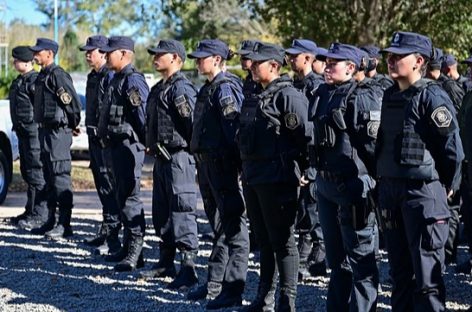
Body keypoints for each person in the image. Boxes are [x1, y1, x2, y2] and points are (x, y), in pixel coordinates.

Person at [377, 31, 463, 311]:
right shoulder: (389, 95)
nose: (390, 60)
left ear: (419, 61)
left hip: (422, 194)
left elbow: (452, 150)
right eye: (389, 56)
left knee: (427, 281)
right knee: (399, 277)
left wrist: (447, 186)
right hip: (393, 193)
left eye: (398, 56)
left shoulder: (432, 96)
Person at [238, 42, 312, 311]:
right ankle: (264, 298)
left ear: (273, 66)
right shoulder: (256, 95)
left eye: (257, 63)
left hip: (277, 179)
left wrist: (308, 172)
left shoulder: (288, 96)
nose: (252, 67)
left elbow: (306, 137)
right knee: (265, 241)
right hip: (254, 177)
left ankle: (287, 301)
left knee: (283, 242)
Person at [310, 43, 380, 311]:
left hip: (352, 188)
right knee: (337, 262)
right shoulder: (323, 93)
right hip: (327, 187)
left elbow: (373, 148)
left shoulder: (360, 97)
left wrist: (374, 186)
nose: (326, 67)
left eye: (332, 63)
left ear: (351, 68)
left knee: (361, 261)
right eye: (325, 63)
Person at [187, 39, 249, 310]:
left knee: (233, 227)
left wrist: (237, 168)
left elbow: (234, 131)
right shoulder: (208, 88)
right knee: (218, 226)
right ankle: (215, 283)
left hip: (222, 165)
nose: (198, 61)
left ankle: (233, 288)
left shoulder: (225, 88)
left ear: (218, 60)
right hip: (207, 164)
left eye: (203, 57)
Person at [139, 39, 199, 290]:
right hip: (161, 160)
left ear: (175, 58)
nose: (155, 57)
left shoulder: (181, 89)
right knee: (162, 212)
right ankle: (166, 262)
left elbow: (192, 125)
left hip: (178, 158)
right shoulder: (157, 88)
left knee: (182, 210)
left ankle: (188, 269)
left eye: (160, 54)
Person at [97, 36, 149, 272]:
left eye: (110, 52)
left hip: (129, 146)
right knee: (121, 197)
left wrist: (145, 144)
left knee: (130, 198)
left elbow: (141, 117)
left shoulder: (132, 81)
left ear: (124, 54)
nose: (106, 56)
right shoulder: (115, 79)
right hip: (115, 146)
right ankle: (128, 246)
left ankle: (136, 250)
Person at [29, 38, 81, 239]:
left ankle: (64, 224)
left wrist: (70, 126)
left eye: (38, 52)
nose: (35, 55)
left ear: (49, 53)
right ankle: (51, 219)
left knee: (60, 177)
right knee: (49, 177)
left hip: (57, 133)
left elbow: (73, 106)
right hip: (44, 132)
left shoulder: (58, 76)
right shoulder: (42, 76)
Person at [285, 38, 327, 280]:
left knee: (314, 212)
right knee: (303, 212)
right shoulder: (294, 84)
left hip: (312, 158)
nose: (291, 59)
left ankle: (317, 261)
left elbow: (317, 129)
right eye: (290, 55)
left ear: (308, 58)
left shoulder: (317, 87)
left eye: (295, 56)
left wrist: (312, 168)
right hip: (296, 156)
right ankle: (305, 257)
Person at [79, 35, 120, 255]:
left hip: (106, 140)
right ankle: (106, 230)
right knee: (101, 185)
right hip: (94, 138)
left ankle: (113, 238)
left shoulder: (110, 76)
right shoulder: (92, 77)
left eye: (91, 51)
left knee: (109, 186)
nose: (87, 55)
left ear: (103, 53)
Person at [8, 46, 48, 230]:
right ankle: (30, 209)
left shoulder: (35, 81)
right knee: (27, 172)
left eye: (16, 60)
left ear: (25, 61)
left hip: (33, 134)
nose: (14, 63)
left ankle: (41, 214)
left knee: (36, 173)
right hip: (23, 133)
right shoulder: (20, 81)